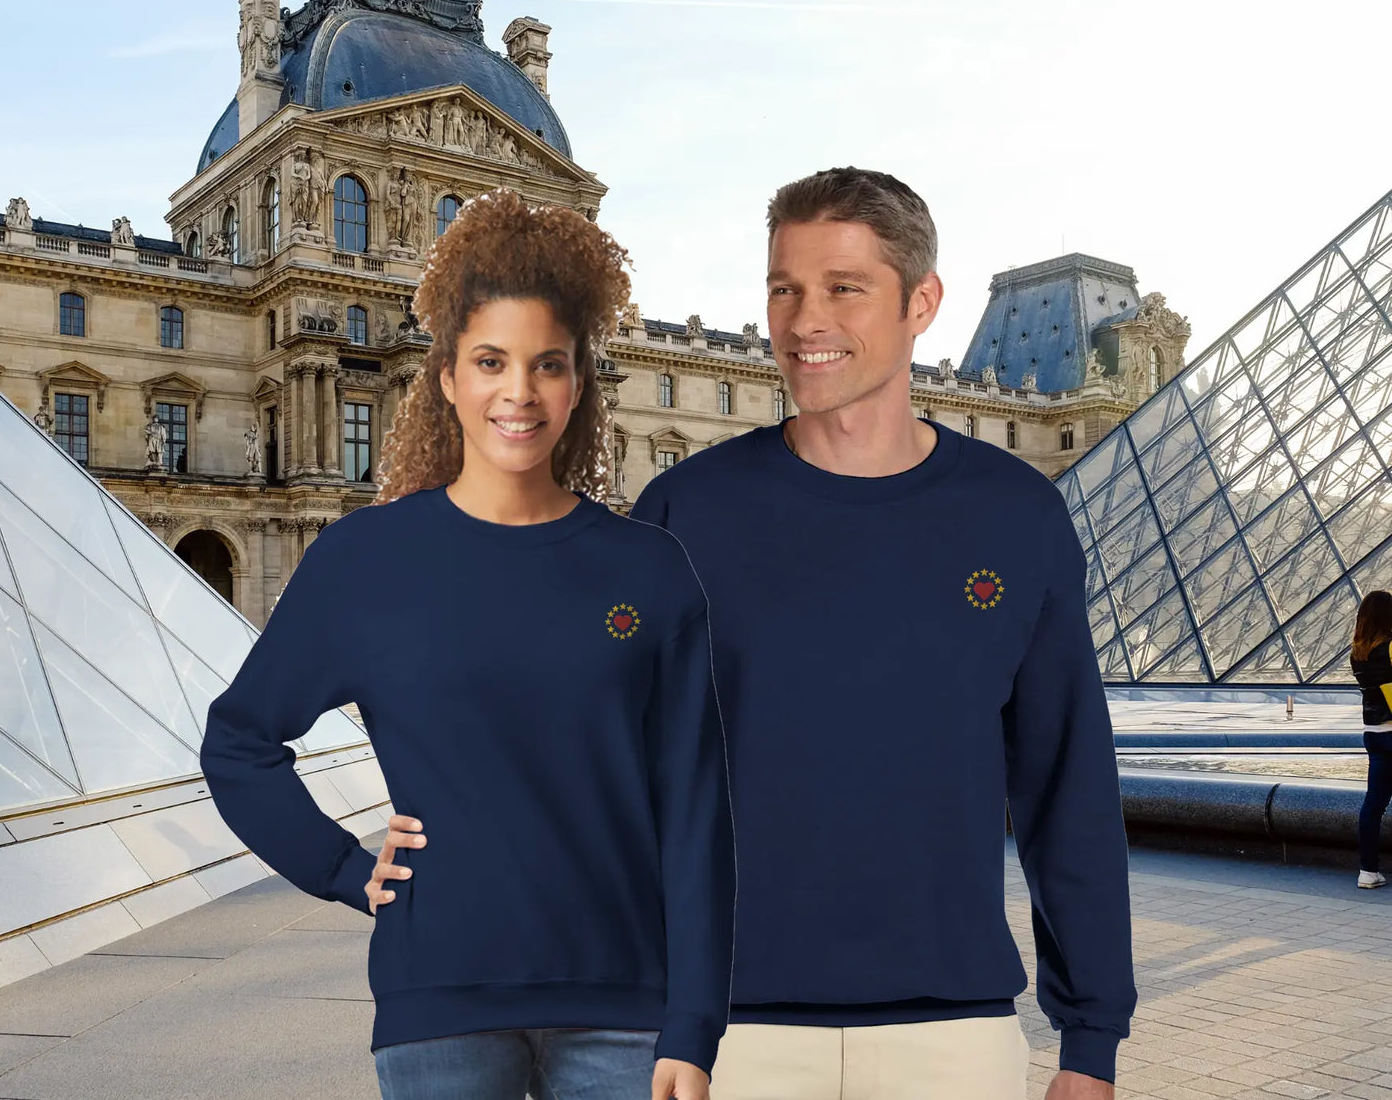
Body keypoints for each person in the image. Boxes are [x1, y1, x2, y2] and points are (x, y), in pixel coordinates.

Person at [200, 189, 735, 1100]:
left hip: (626, 1005)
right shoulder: (366, 562)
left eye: (548, 364)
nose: (518, 392)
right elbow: (240, 741)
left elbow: (696, 812)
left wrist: (695, 1023)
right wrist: (340, 867)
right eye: (491, 361)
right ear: (446, 377)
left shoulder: (650, 571)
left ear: (579, 384)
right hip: (436, 997)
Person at [628, 168, 1136, 1100]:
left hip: (954, 1033)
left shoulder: (1016, 515)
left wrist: (1091, 1039)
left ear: (923, 303)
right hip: (725, 1035)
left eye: (843, 288)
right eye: (784, 288)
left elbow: (1069, 788)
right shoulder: (682, 513)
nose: (803, 319)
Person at [1349, 588, 1392, 889]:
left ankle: (1367, 871)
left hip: (1374, 734)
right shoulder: (1391, 647)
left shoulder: (1357, 653)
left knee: (1373, 805)